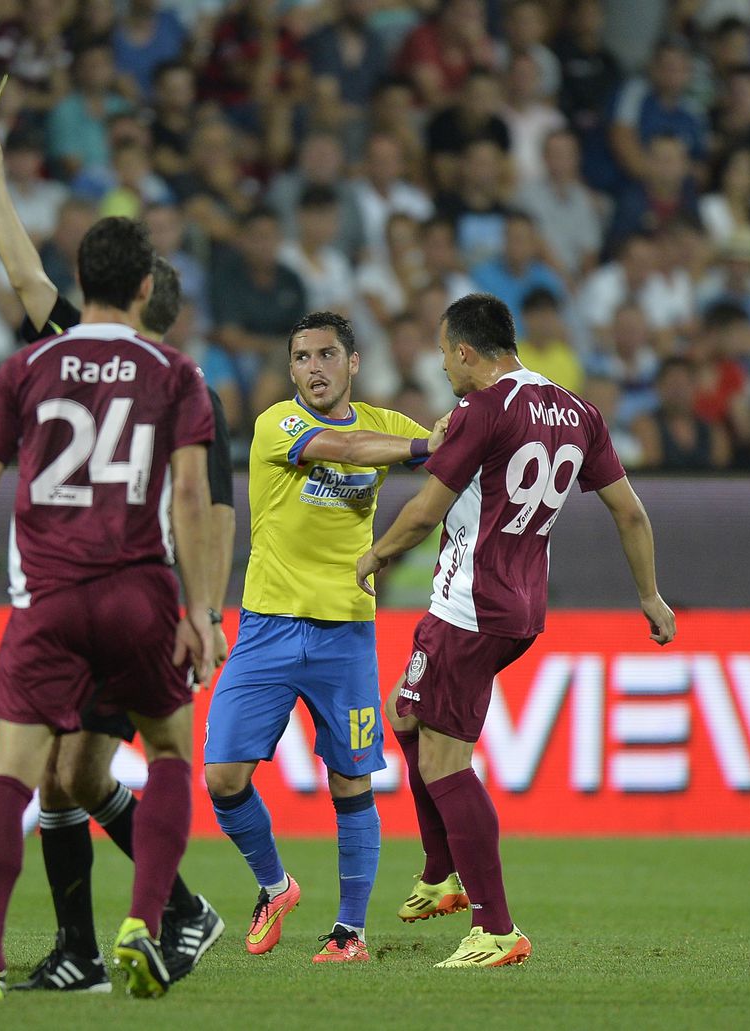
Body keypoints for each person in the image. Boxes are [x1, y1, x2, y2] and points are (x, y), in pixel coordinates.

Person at [0, 110, 235, 993]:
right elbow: (23, 271)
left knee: (59, 771)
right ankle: (147, 921)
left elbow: (212, 511)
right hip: (105, 594)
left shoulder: (181, 390)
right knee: (67, 771)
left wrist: (208, 610)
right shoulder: (117, 362)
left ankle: (113, 934)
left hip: (115, 588)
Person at [355, 293, 676, 969]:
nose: (443, 366)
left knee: (445, 760)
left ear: (467, 352)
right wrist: (648, 593)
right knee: (405, 712)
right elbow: (632, 512)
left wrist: (378, 554)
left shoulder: (484, 408)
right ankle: (440, 869)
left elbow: (422, 511)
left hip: (469, 606)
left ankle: (496, 927)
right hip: (522, 605)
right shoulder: (576, 409)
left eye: (445, 353)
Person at [203, 310, 447, 964]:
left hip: (346, 634)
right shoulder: (277, 423)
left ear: (353, 363)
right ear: (291, 370)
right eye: (304, 357)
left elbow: (450, 458)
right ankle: (275, 884)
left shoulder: (392, 425)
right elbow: (346, 450)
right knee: (223, 776)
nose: (315, 367)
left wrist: (467, 432)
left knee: (351, 783)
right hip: (268, 627)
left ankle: (350, 933)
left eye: (327, 354)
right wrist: (428, 447)